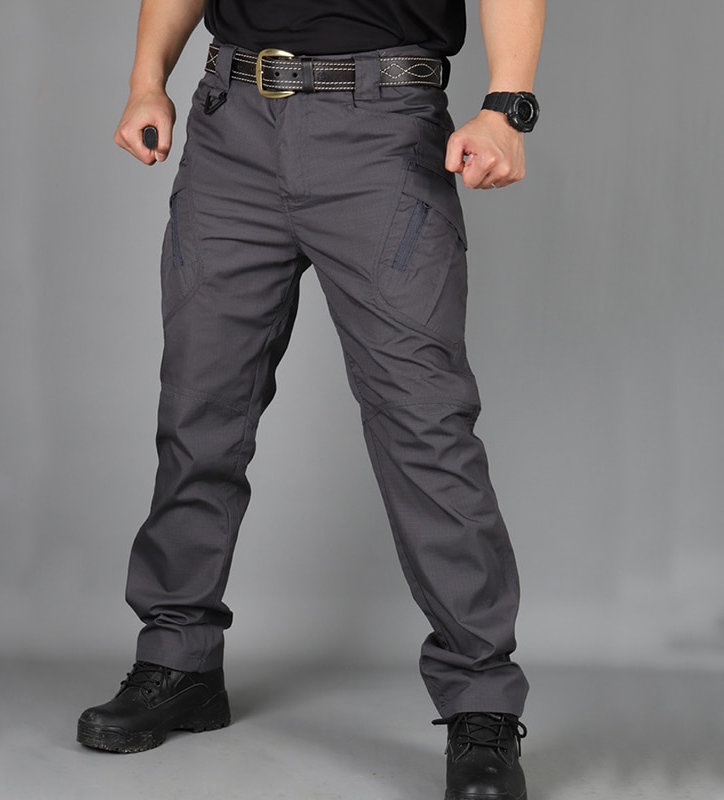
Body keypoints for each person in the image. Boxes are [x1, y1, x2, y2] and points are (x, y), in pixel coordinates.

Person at [77, 1, 544, 798]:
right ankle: (179, 660)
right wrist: (146, 81)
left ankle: (482, 704)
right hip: (232, 124)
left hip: (383, 127)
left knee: (424, 424)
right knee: (199, 407)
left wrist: (507, 106)